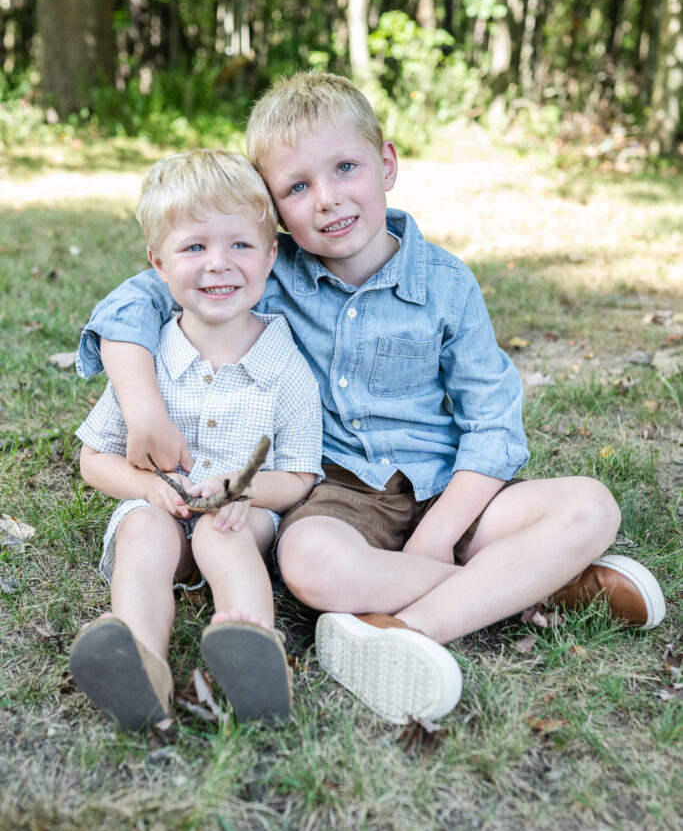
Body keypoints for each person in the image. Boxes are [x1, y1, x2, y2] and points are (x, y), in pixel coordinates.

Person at [76, 74, 666, 726]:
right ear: (274, 213)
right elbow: (133, 302)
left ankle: (403, 630)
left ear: (385, 165)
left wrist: (439, 534)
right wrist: (143, 408)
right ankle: (540, 585)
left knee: (589, 506)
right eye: (296, 188)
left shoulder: (444, 284)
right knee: (306, 561)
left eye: (345, 168)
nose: (326, 200)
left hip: (451, 491)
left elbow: (492, 426)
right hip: (340, 499)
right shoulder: (264, 275)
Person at [70, 149, 323, 730]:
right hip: (162, 514)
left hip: (241, 518)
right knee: (142, 531)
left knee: (221, 532)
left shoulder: (287, 368)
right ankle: (142, 663)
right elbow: (93, 459)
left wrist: (243, 490)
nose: (219, 265)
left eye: (240, 244)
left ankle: (254, 652)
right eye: (194, 247)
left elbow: (302, 476)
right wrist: (148, 489)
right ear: (158, 263)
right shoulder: (148, 360)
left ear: (270, 255)